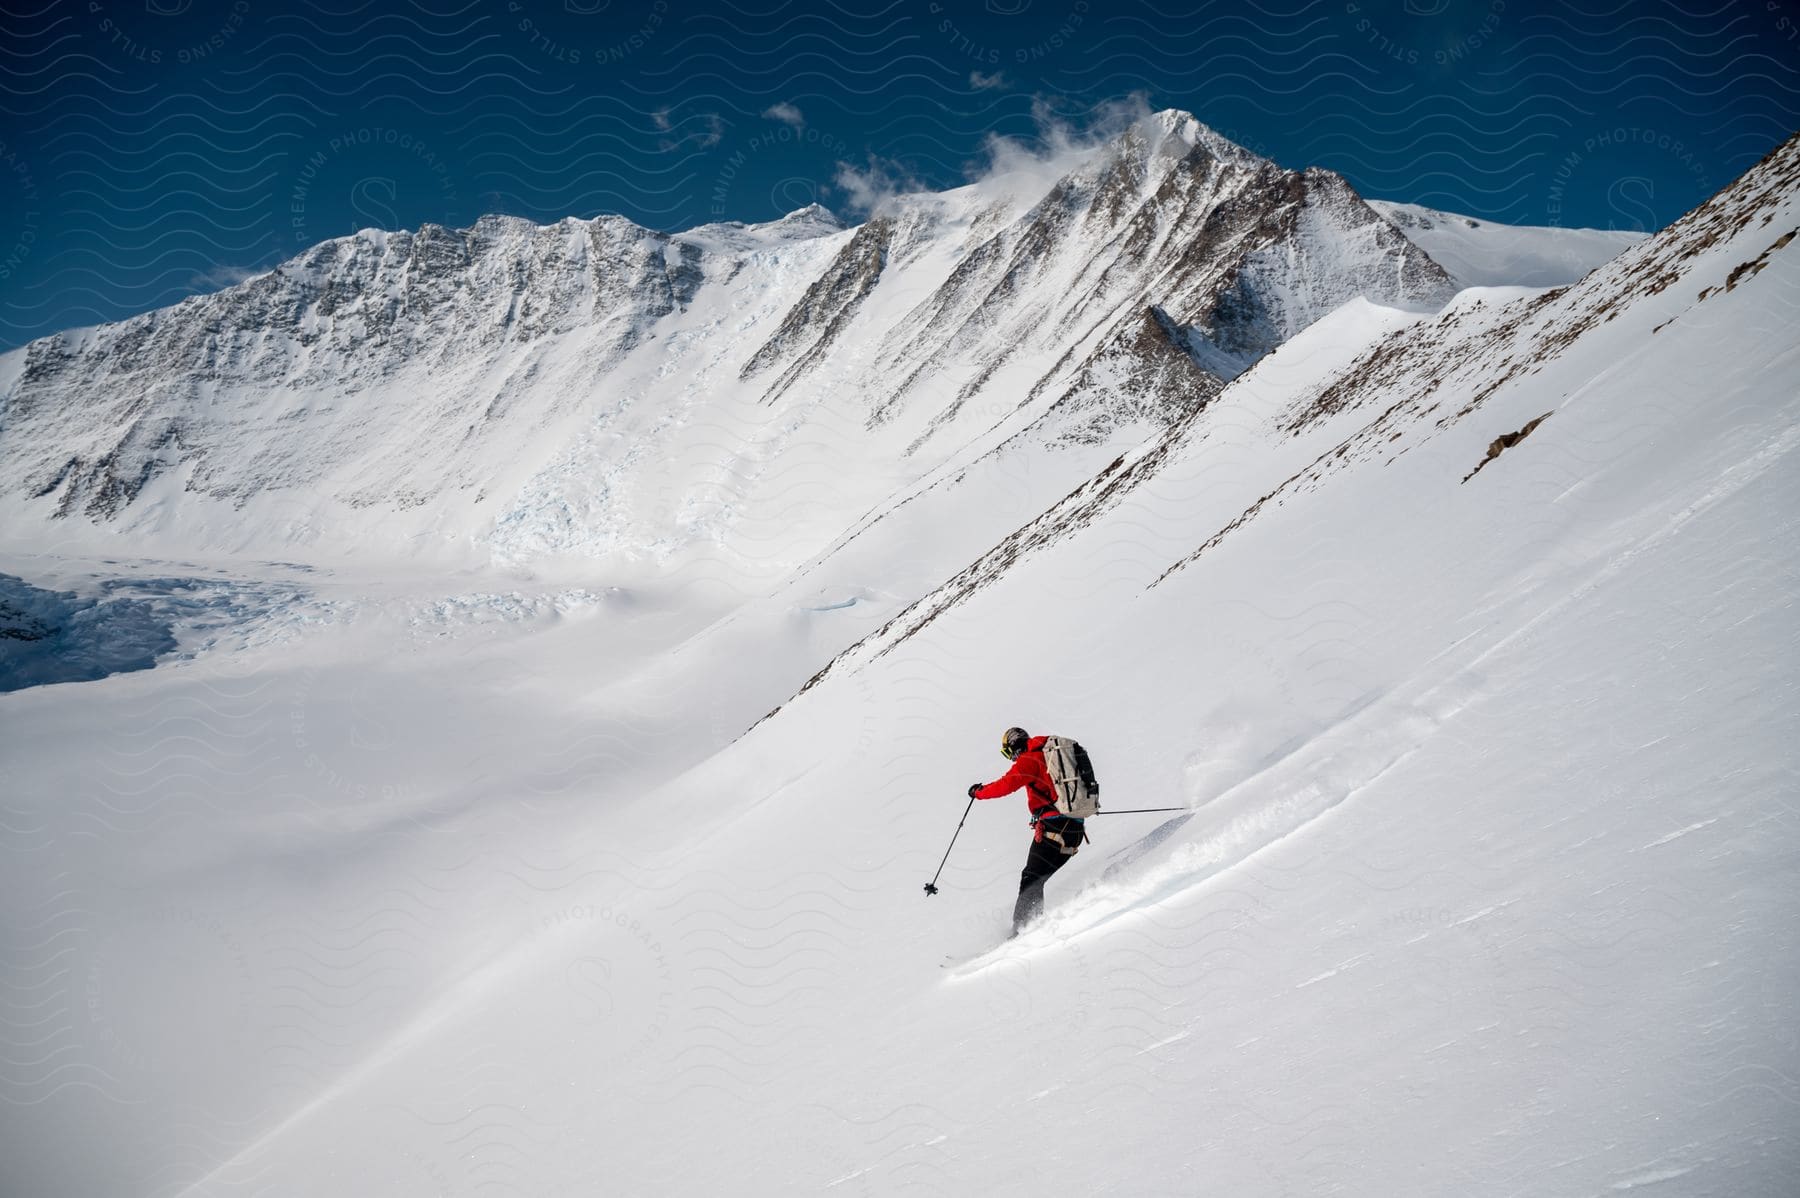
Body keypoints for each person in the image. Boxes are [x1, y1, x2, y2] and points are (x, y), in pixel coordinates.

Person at [969, 726, 1087, 935]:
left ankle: (1024, 932)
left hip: (1054, 829)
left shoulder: (1029, 759)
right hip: (1075, 829)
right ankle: (1031, 927)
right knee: (1036, 878)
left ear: (1013, 747)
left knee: (1031, 878)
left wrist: (979, 793)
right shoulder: (1051, 751)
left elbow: (1006, 785)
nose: (1011, 759)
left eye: (1008, 753)